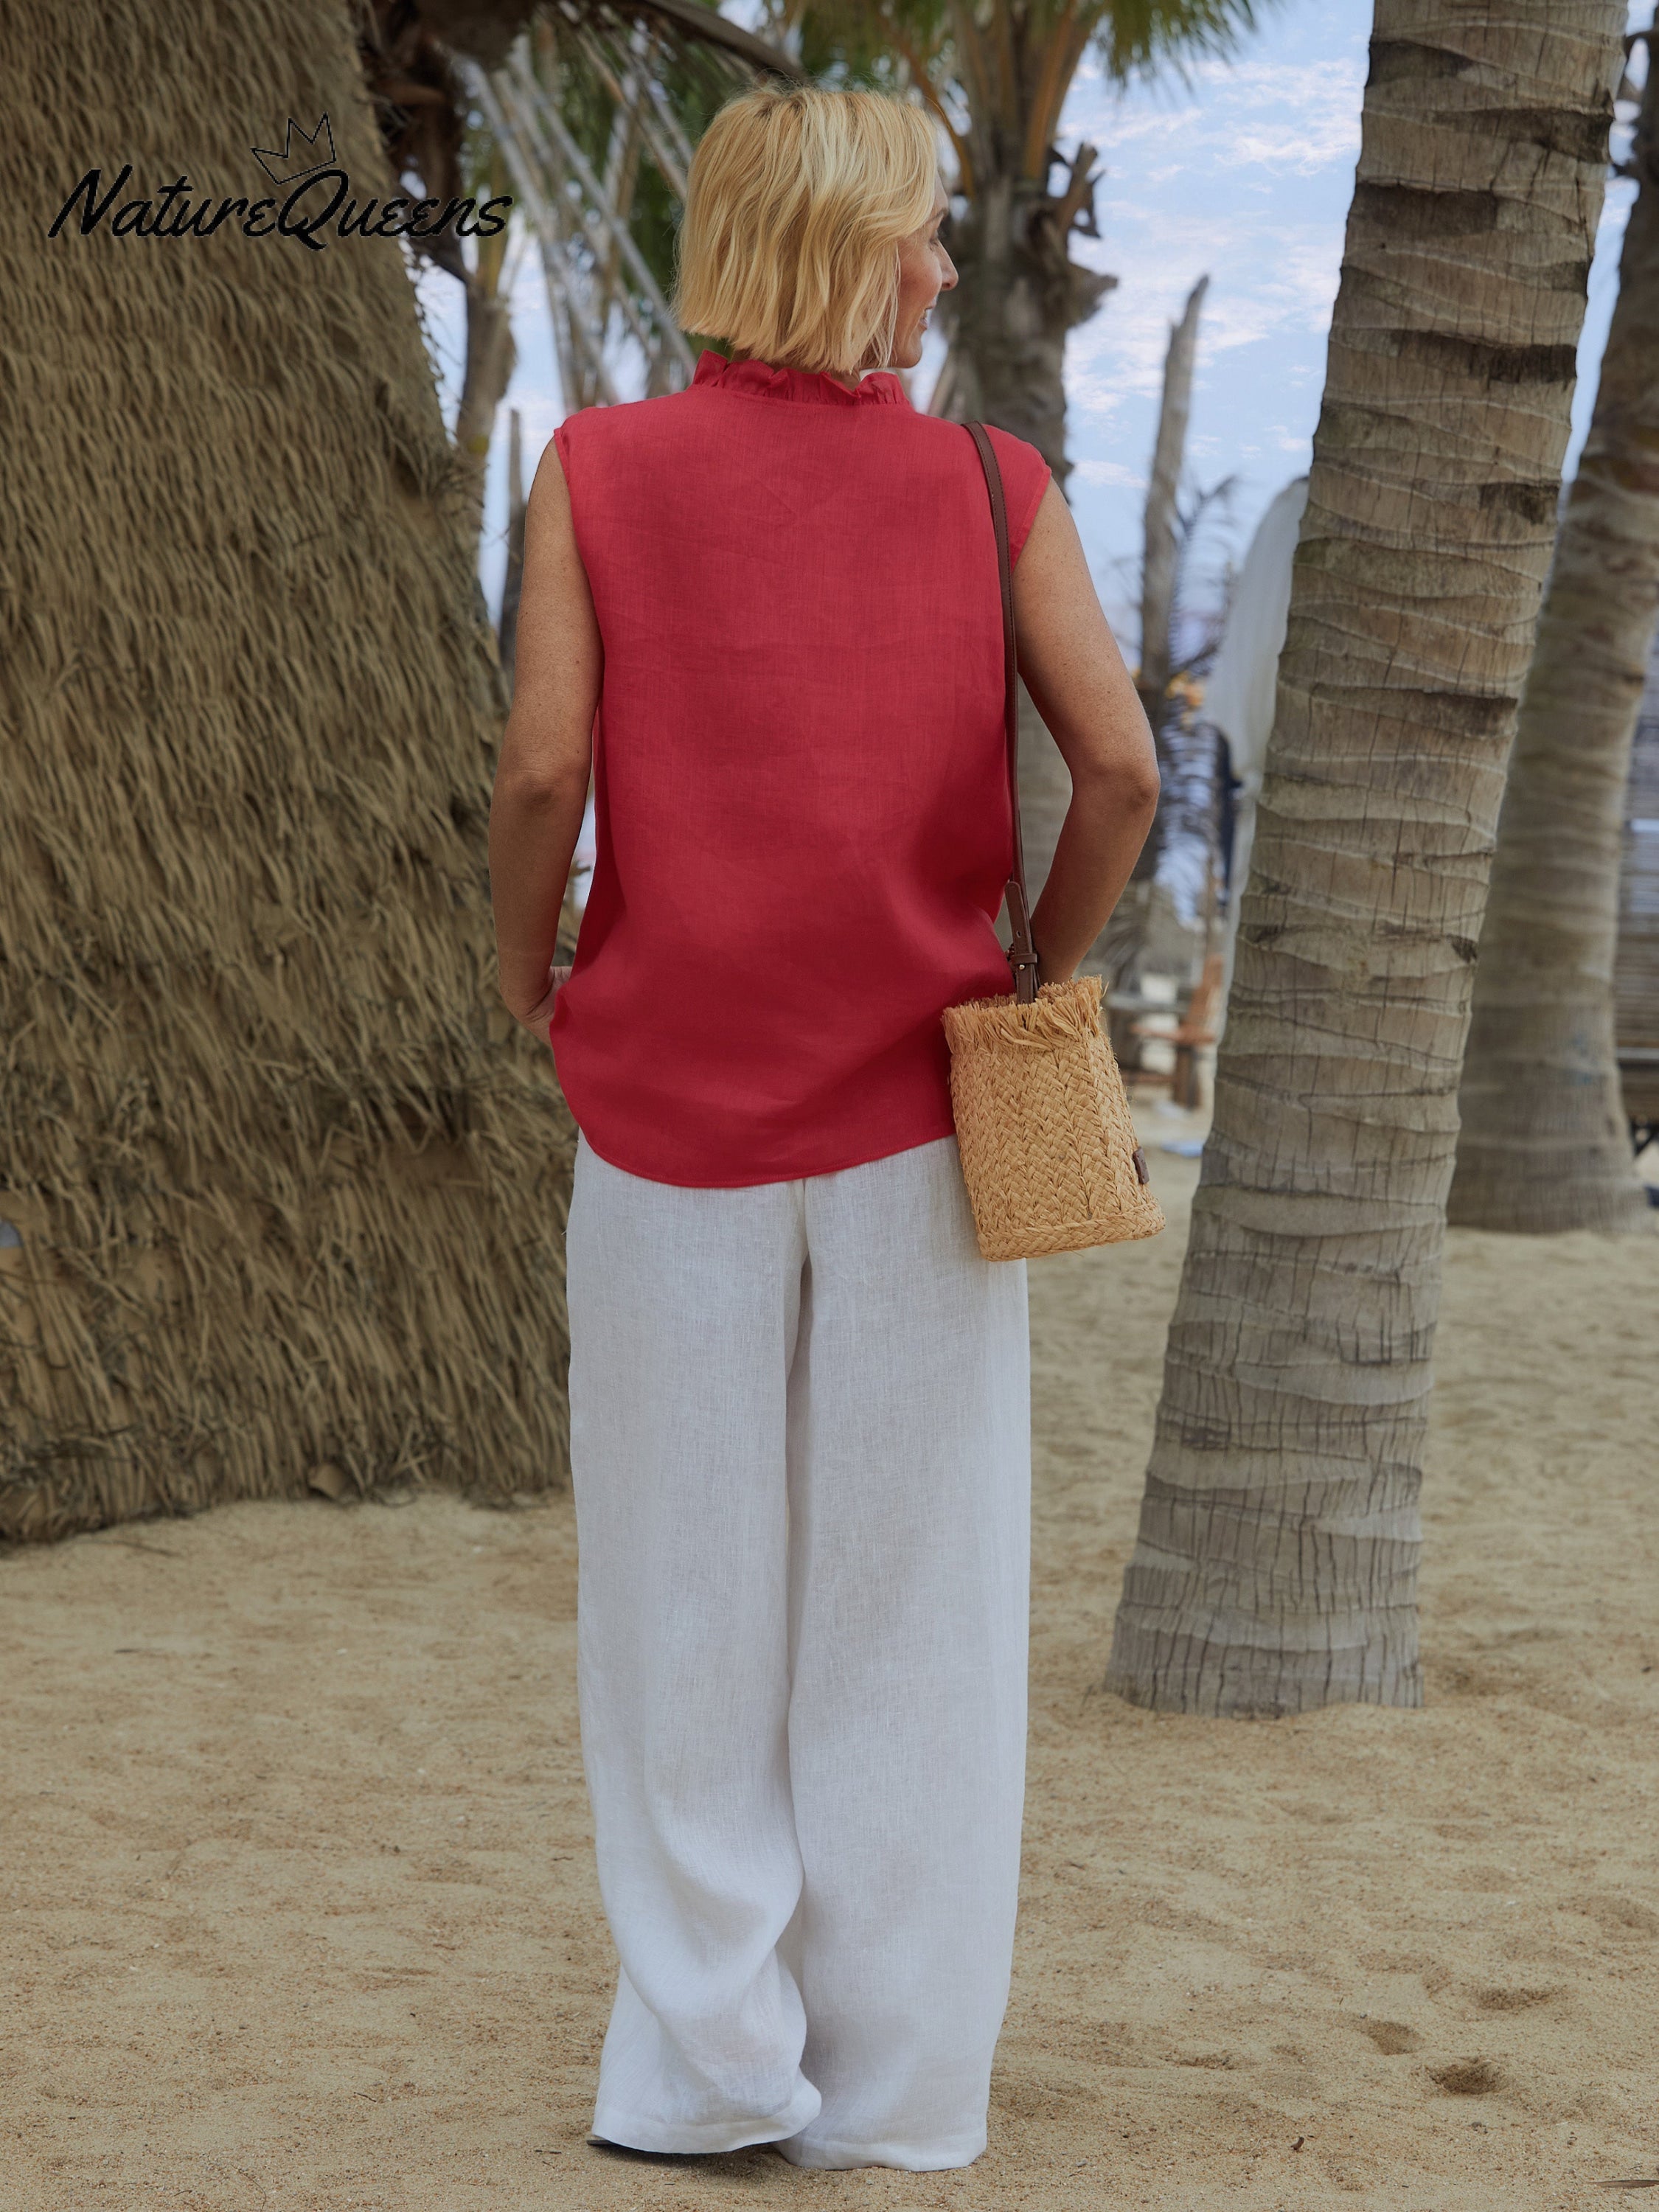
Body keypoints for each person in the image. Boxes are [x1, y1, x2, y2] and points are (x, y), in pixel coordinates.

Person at [487, 82, 1158, 2174]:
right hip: (918, 1125)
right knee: (912, 1615)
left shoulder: (597, 471)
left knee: (679, 1613)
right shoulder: (989, 484)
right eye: (920, 233)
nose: (942, 268)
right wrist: (1033, 972)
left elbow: (540, 779)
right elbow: (1122, 771)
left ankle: (705, 2075)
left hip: (662, 1123)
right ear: (840, 249)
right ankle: (896, 2093)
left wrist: (526, 974)